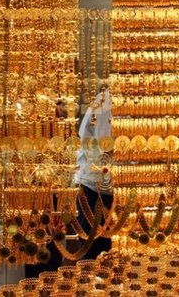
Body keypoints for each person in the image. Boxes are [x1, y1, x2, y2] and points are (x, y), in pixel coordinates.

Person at [71, 84, 113, 260]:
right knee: (96, 258)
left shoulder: (106, 99)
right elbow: (107, 145)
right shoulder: (108, 101)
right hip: (96, 189)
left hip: (102, 186)